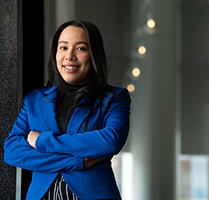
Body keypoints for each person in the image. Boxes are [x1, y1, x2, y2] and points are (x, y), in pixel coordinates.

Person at [4, 20, 131, 200]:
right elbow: (12, 151)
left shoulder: (114, 98)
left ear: (94, 55)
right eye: (63, 48)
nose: (69, 56)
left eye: (80, 48)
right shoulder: (34, 100)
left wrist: (42, 140)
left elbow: (110, 140)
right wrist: (78, 161)